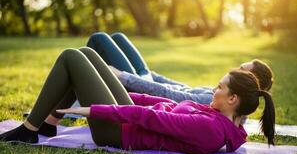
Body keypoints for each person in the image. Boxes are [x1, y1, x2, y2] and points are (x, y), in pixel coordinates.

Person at [0, 47, 275, 154]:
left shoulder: (211, 130)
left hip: (119, 133)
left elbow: (153, 119)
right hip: (132, 122)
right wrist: (116, 92)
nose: (214, 89)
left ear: (233, 99)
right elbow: (153, 103)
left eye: (219, 86)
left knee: (71, 57)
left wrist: (95, 107)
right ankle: (48, 125)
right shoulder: (217, 114)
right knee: (88, 54)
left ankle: (30, 130)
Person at [86, 32, 274, 105]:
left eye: (242, 68)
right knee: (118, 36)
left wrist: (125, 76)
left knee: (99, 39)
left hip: (141, 88)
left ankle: (79, 89)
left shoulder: (220, 100)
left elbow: (171, 95)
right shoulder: (225, 92)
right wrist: (151, 74)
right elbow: (182, 87)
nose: (236, 68)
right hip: (147, 80)